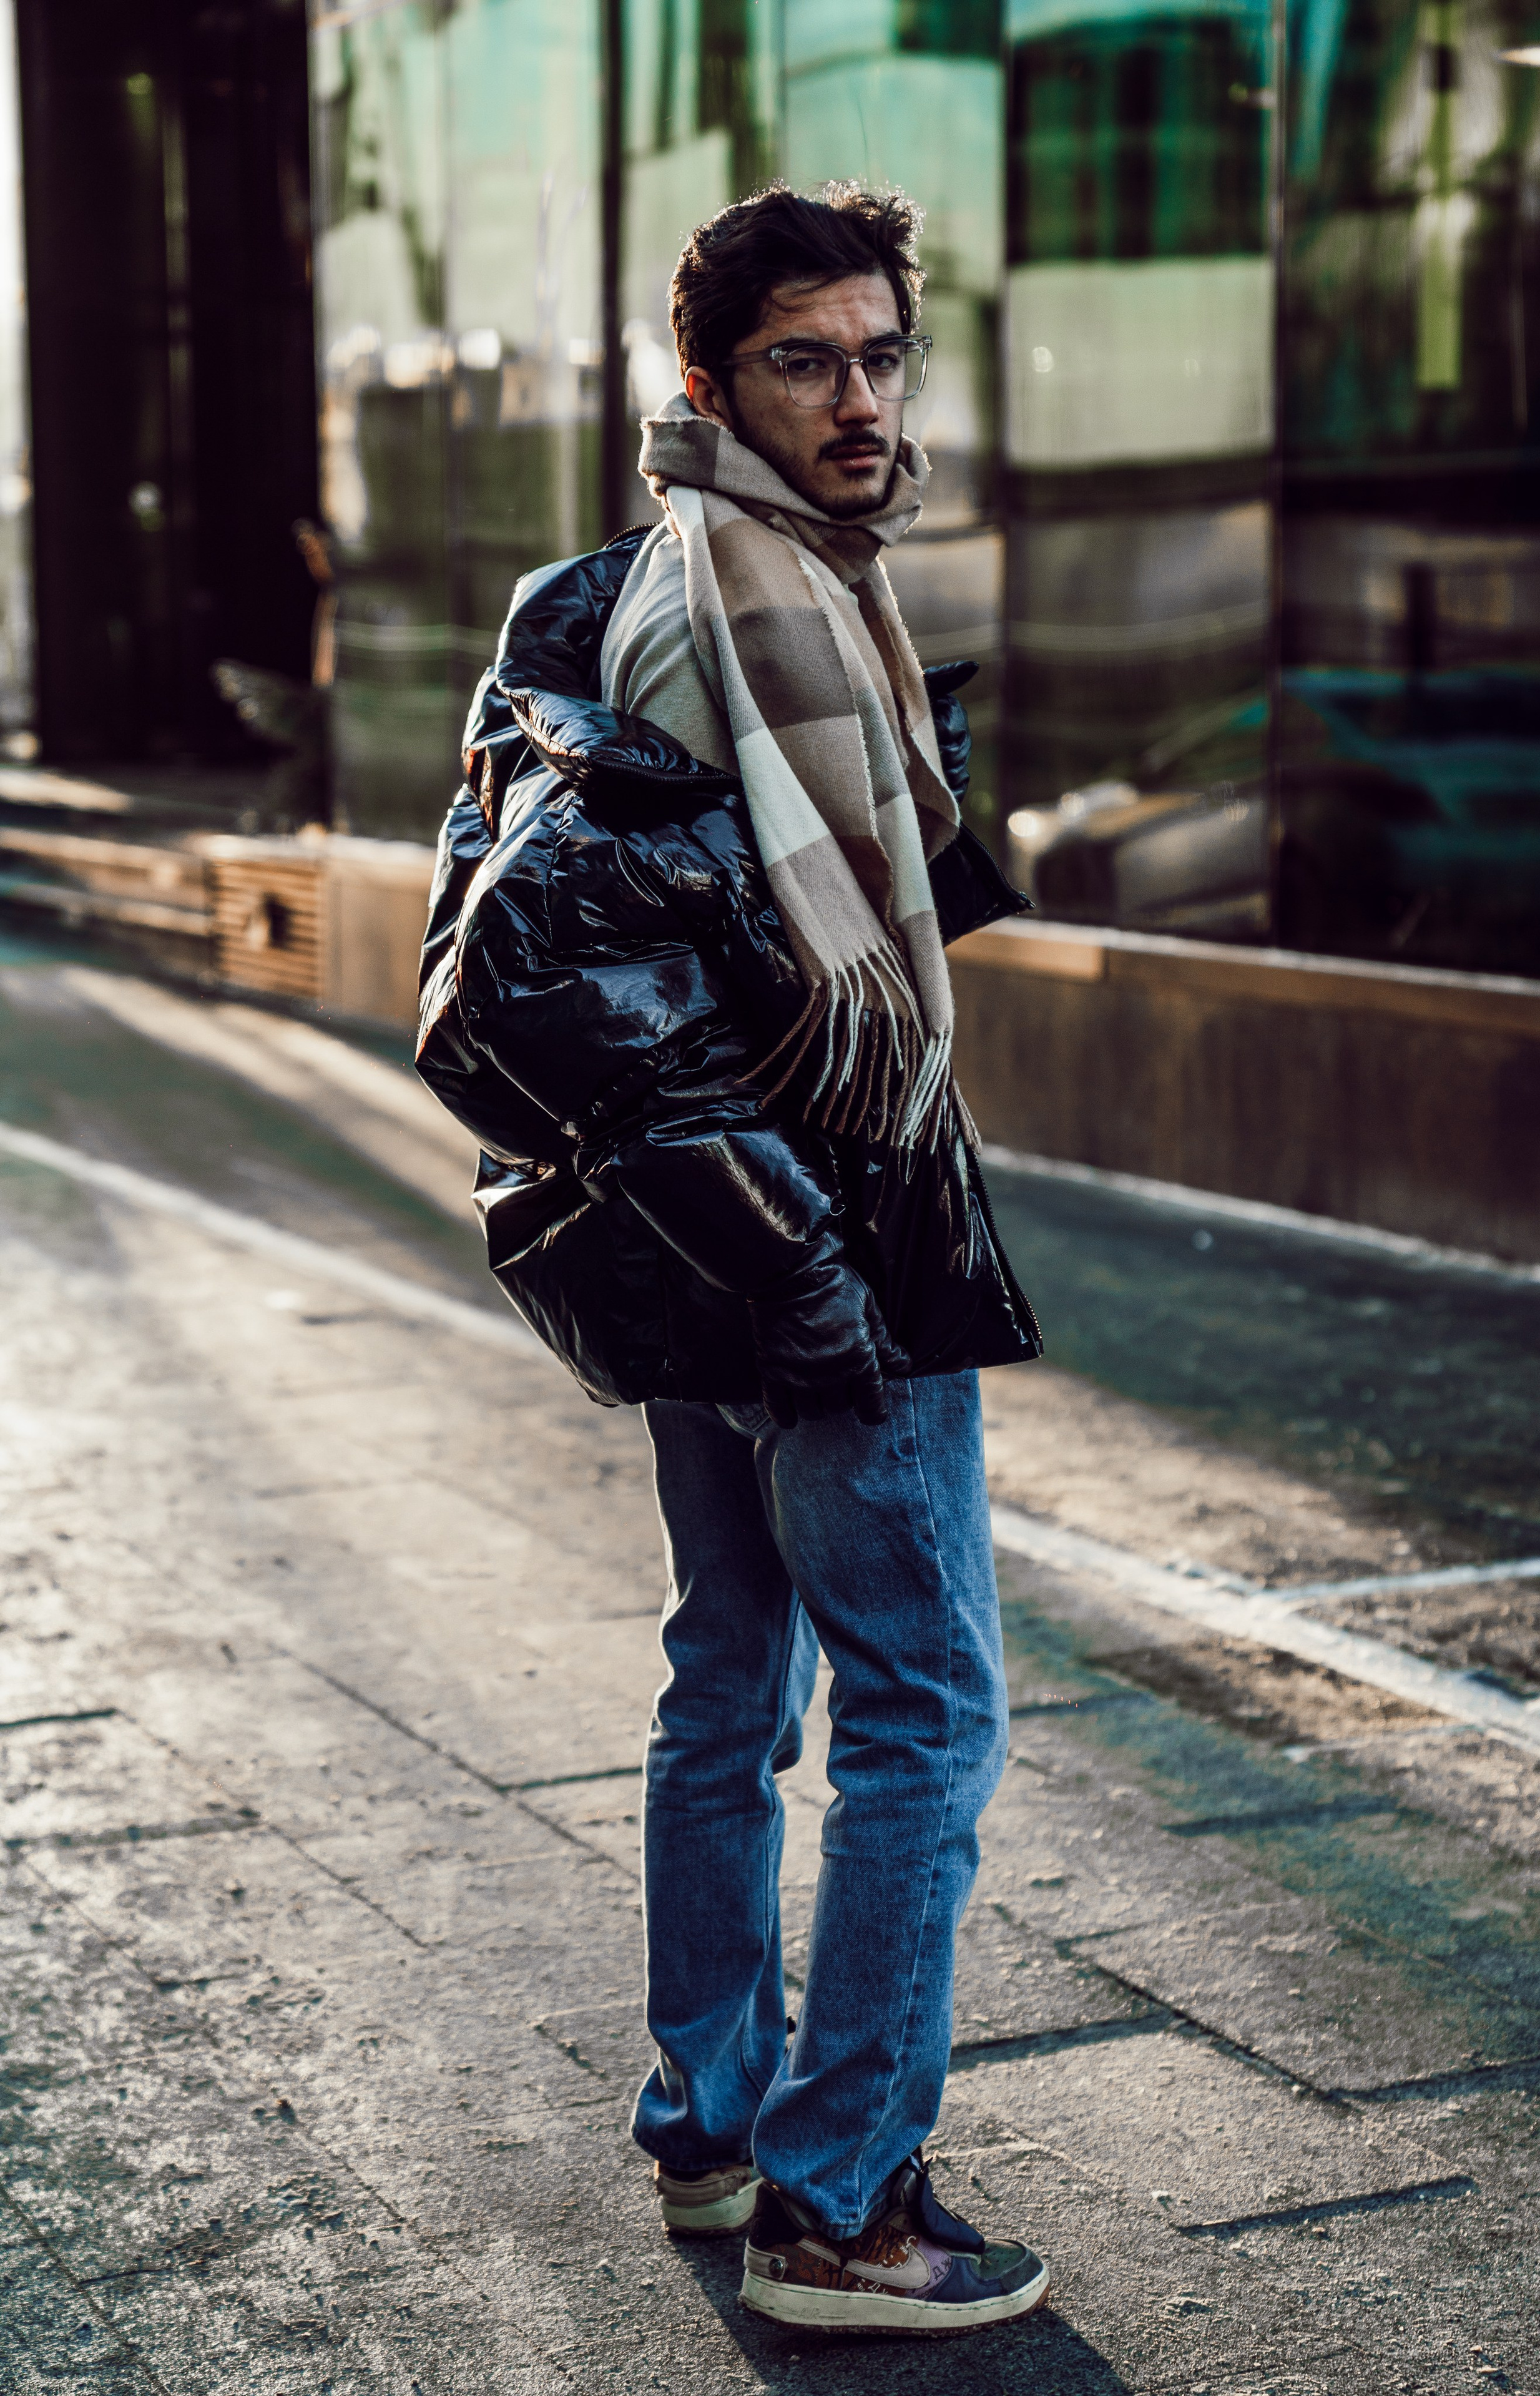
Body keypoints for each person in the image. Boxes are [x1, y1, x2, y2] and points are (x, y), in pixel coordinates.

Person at [416, 181, 1049, 2338]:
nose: (859, 397)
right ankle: (841, 2203)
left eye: (882, 354)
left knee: (728, 1674)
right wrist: (810, 1279)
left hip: (714, 1242)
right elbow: (625, 977)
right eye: (807, 360)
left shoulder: (738, 576)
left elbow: (748, 926)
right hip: (814, 1236)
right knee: (923, 1713)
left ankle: (712, 2116)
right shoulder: (739, 595)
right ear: (708, 385)